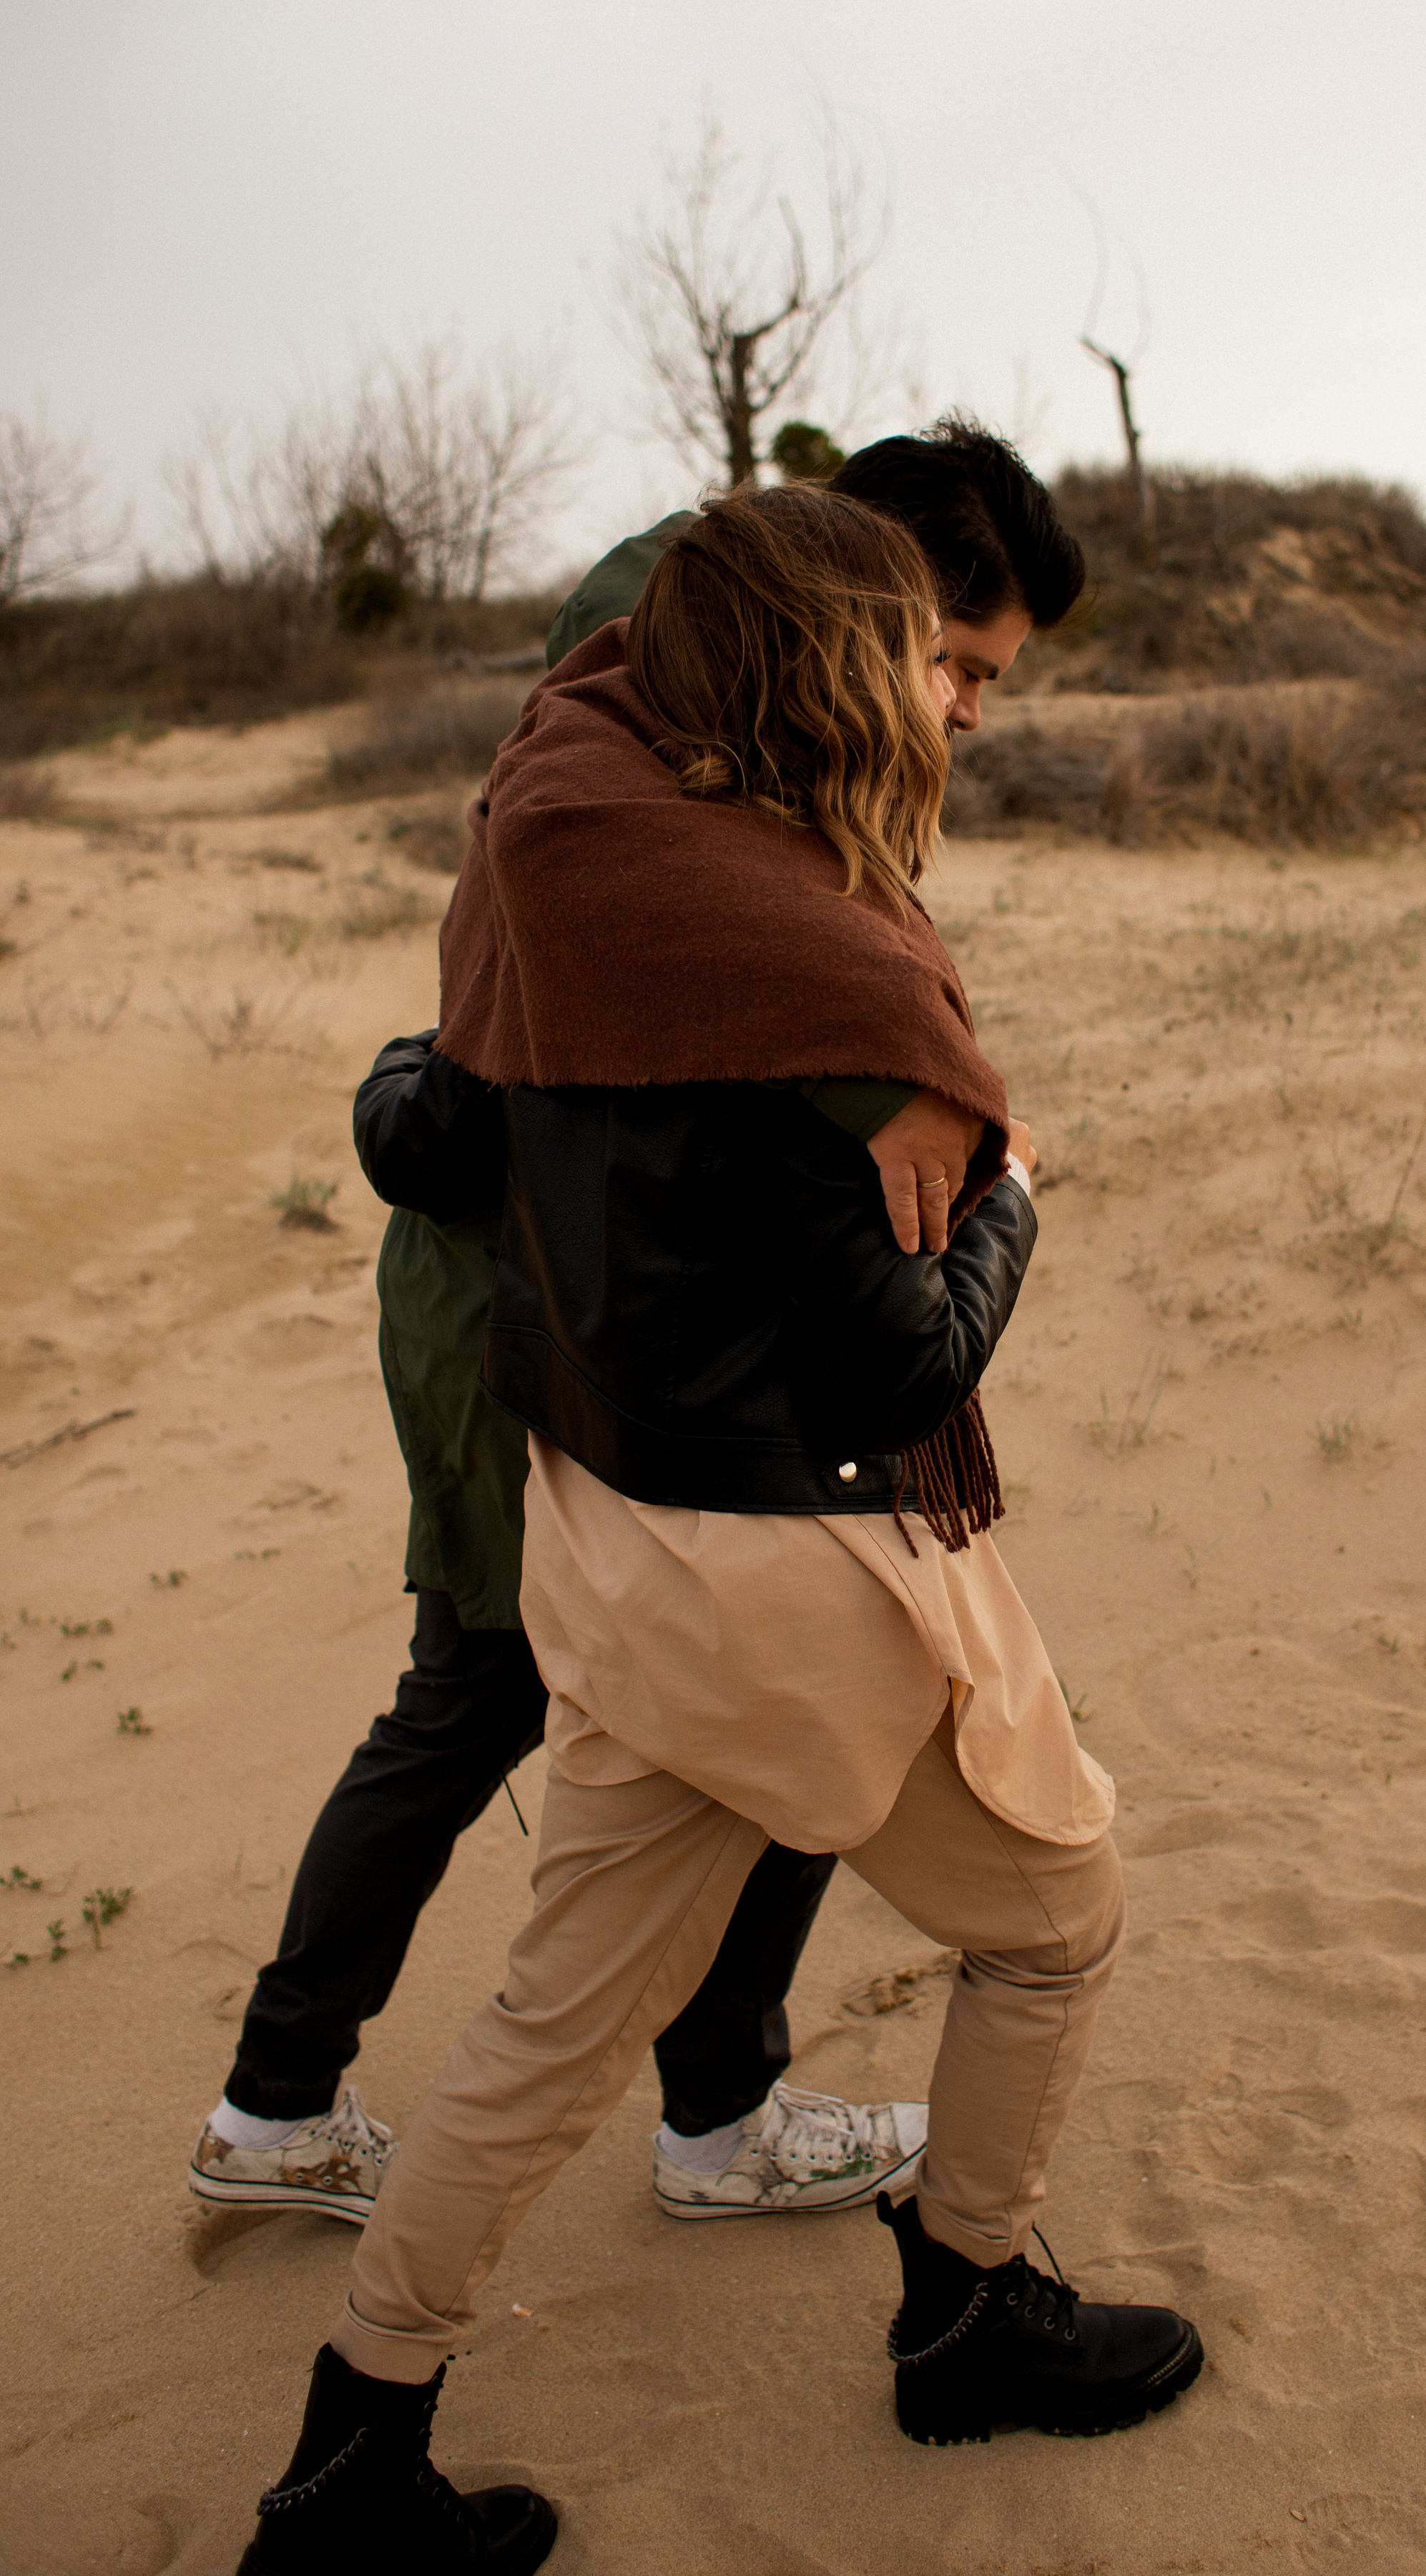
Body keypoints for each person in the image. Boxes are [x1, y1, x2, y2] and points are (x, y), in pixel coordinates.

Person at [233, 487, 1200, 2573]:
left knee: (545, 2030)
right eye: (925, 665)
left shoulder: (570, 898)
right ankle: (968, 2312)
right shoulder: (805, 970)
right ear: (833, 678)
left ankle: (347, 2463)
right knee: (1058, 1915)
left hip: (612, 1545)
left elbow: (435, 1126)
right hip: (785, 1572)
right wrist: (1016, 1178)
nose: (947, 703)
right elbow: (898, 1368)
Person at [188, 421, 1088, 2232]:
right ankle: (307, 2105)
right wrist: (900, 1080)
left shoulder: (734, 735)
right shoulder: (665, 658)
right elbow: (592, 907)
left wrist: (891, 1064)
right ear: (864, 616)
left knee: (688, 1708)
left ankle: (690, 2104)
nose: (968, 716)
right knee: (500, 1690)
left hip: (587, 1281)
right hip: (541, 1304)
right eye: (955, 666)